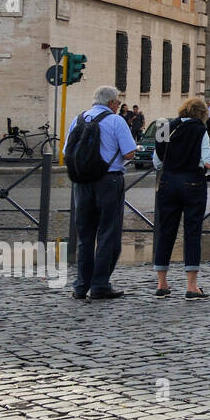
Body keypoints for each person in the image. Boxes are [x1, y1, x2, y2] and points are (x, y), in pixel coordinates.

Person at [63, 85, 140, 300]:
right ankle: (100, 285)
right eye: (117, 102)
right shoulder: (116, 121)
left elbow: (66, 151)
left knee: (84, 235)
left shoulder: (78, 119)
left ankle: (80, 285)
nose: (117, 105)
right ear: (112, 103)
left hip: (81, 182)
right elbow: (129, 152)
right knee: (108, 233)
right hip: (108, 180)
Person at [152, 97, 210, 300]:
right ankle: (191, 286)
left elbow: (156, 160)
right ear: (201, 114)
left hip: (167, 183)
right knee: (192, 232)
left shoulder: (164, 126)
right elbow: (207, 161)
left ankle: (161, 283)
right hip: (192, 184)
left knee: (165, 231)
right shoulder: (200, 129)